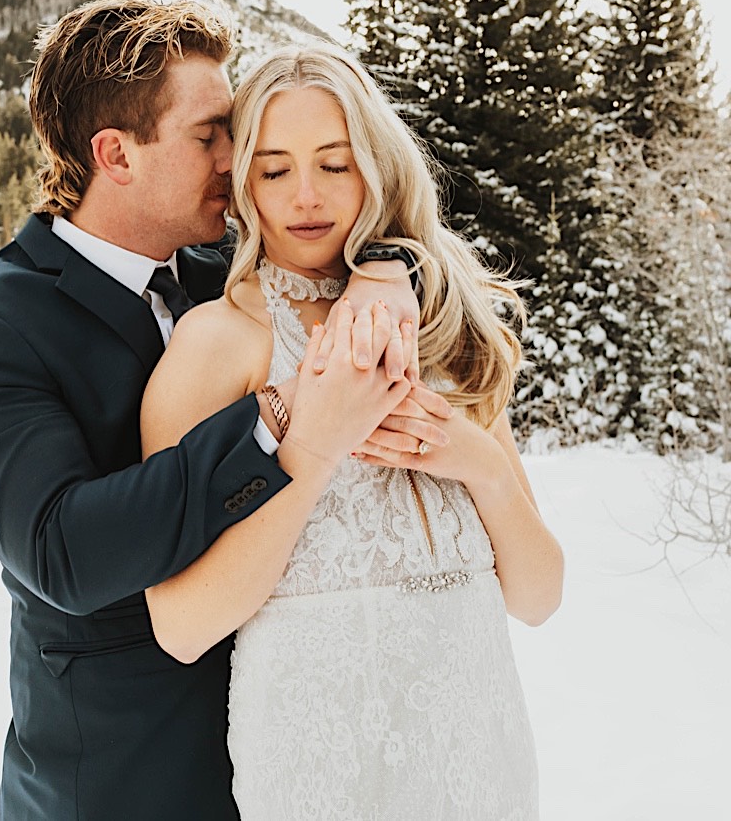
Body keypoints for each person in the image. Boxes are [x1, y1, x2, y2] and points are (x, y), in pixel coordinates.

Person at [0, 0, 430, 821]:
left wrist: (389, 267)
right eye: (209, 135)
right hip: (127, 777)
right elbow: (65, 550)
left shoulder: (218, 264)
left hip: (297, 748)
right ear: (116, 154)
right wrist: (281, 419)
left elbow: (344, 226)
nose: (237, 156)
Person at [140, 44, 565, 819]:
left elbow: (538, 598)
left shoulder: (442, 328)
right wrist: (315, 446)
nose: (307, 195)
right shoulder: (220, 344)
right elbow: (181, 626)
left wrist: (483, 467)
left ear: (375, 165)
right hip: (321, 770)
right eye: (274, 171)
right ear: (244, 187)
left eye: (334, 164)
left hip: (480, 762)